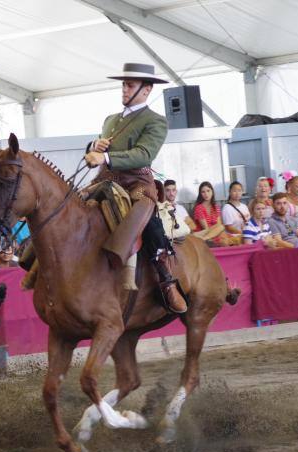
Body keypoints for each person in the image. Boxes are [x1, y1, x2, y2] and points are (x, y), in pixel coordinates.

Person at [83, 62, 186, 313]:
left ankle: (166, 279)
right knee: (72, 204)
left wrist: (106, 158)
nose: (124, 89)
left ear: (146, 89)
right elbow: (100, 153)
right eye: (123, 85)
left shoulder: (156, 121)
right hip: (104, 179)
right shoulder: (111, 120)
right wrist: (94, 148)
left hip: (137, 182)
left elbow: (143, 153)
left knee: (146, 216)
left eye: (129, 85)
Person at [192, 181, 232, 246]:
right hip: (204, 233)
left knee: (222, 230)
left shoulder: (216, 207)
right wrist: (218, 229)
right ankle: (204, 239)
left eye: (208, 191)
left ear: (212, 192)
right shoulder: (199, 208)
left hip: (215, 232)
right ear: (200, 194)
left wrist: (220, 232)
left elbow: (218, 225)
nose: (206, 194)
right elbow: (206, 228)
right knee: (222, 230)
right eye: (203, 192)